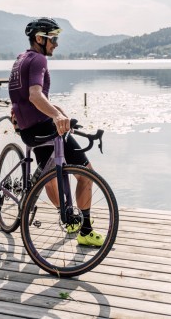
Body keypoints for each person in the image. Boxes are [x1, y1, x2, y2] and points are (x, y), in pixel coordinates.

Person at [8, 17, 104, 247]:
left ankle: (68, 218)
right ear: (40, 39)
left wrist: (58, 111)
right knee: (87, 174)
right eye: (53, 39)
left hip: (28, 131)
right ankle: (86, 230)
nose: (56, 44)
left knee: (50, 176)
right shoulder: (39, 59)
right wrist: (57, 116)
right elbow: (34, 95)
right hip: (45, 128)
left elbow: (22, 98)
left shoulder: (20, 60)